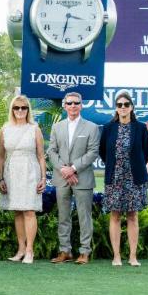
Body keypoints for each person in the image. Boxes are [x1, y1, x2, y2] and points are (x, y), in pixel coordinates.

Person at [99, 90, 148, 267]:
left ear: (131, 107)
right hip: (114, 177)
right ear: (116, 108)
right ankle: (116, 256)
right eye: (119, 105)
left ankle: (132, 256)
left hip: (134, 177)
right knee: (114, 215)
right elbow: (103, 151)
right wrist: (117, 165)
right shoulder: (108, 128)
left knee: (132, 215)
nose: (122, 108)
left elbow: (146, 152)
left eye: (126, 105)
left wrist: (134, 165)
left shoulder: (141, 127)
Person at [47, 91, 100, 264]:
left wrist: (73, 168)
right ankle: (65, 251)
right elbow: (51, 151)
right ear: (64, 105)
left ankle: (84, 252)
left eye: (76, 103)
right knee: (63, 216)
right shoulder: (57, 127)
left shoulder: (91, 127)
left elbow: (93, 152)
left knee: (85, 216)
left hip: (82, 177)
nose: (72, 106)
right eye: (69, 103)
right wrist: (64, 169)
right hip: (62, 177)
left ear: (81, 105)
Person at [0, 95, 45, 264]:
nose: (20, 111)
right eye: (16, 108)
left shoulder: (34, 129)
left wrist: (44, 178)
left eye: (23, 108)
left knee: (29, 210)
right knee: (17, 211)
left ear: (28, 110)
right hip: (12, 172)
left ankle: (30, 250)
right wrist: (0, 178)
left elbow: (41, 156)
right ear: (12, 109)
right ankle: (21, 249)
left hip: (30, 171)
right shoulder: (5, 129)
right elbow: (1, 157)